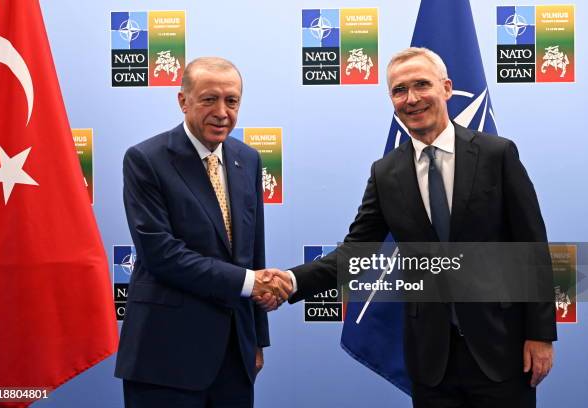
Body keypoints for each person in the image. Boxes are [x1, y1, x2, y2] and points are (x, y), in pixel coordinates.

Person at [261, 47, 556, 407]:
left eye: (421, 85)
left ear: (446, 88)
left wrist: (541, 334)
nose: (411, 98)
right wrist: (290, 281)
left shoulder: (497, 154)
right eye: (399, 91)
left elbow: (532, 249)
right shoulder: (385, 173)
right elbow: (357, 251)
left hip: (502, 349)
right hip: (431, 361)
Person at [115, 57, 290, 408]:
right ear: (183, 101)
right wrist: (250, 282)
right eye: (210, 99)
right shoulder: (145, 159)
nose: (222, 111)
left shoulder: (249, 159)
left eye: (232, 100)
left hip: (234, 356)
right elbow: (161, 253)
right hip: (165, 356)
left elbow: (253, 252)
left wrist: (255, 338)